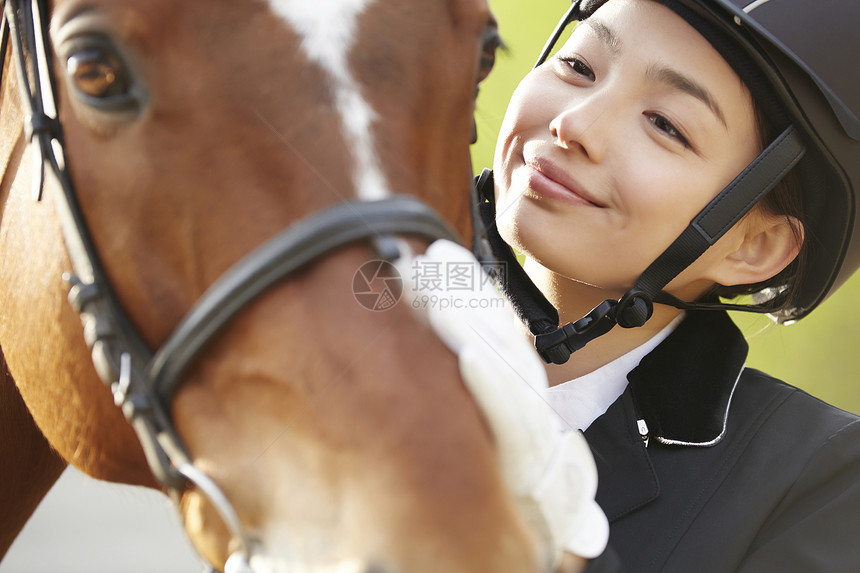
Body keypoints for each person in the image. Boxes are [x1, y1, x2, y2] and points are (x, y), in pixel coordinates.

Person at [469, 0, 860, 570]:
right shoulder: (337, 326)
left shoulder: (821, 482)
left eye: (666, 125)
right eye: (580, 68)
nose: (574, 125)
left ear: (755, 246)